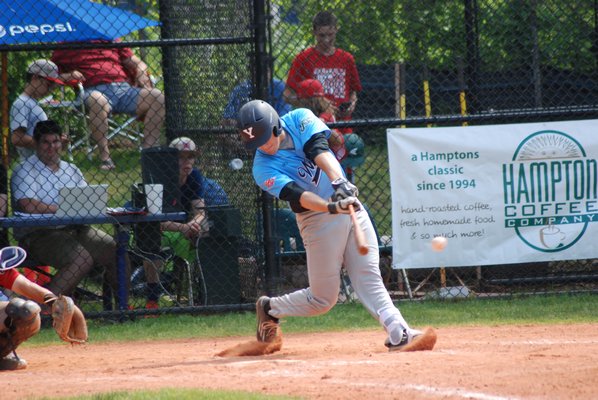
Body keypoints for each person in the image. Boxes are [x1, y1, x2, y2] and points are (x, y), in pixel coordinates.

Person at [237, 100, 435, 351]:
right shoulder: (261, 168)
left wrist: (339, 183)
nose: (263, 146)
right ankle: (269, 307)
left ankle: (399, 331)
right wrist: (331, 207)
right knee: (323, 299)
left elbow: (319, 150)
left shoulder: (299, 118)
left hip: (346, 199)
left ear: (276, 125)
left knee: (368, 274)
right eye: (256, 143)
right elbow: (298, 195)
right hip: (316, 218)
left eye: (265, 137)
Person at [10, 120, 122, 297]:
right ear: (37, 144)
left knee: (115, 250)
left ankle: (122, 305)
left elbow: (88, 200)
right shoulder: (24, 170)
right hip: (39, 234)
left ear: (61, 142)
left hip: (76, 229)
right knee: (80, 259)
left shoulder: (72, 170)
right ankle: (44, 306)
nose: (51, 147)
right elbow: (28, 204)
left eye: (55, 142)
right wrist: (62, 209)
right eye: (45, 142)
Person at [139, 137, 229, 309]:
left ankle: (204, 293)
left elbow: (200, 212)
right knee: (152, 240)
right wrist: (183, 227)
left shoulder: (194, 176)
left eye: (191, 156)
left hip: (185, 230)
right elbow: (153, 221)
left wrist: (193, 224)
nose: (186, 161)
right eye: (181, 157)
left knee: (205, 229)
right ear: (170, 158)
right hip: (162, 229)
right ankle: (152, 300)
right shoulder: (158, 177)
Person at [51, 42, 165, 170]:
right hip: (91, 90)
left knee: (158, 97)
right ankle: (105, 157)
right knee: (97, 100)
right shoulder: (65, 43)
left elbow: (138, 63)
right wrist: (68, 76)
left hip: (124, 89)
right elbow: (51, 76)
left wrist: (141, 71)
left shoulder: (109, 38)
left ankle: (148, 153)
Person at [285, 10, 362, 134]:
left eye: (330, 34)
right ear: (314, 32)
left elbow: (353, 92)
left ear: (336, 30)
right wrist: (314, 103)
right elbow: (287, 94)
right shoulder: (303, 58)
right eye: (322, 35)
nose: (326, 40)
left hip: (343, 125)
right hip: (315, 125)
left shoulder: (346, 59)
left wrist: (352, 104)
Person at [10, 60, 69, 162]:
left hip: (41, 162)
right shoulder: (21, 103)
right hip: (30, 163)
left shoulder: (34, 103)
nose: (50, 90)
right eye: (48, 84)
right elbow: (17, 138)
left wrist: (56, 140)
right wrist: (46, 144)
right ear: (35, 77)